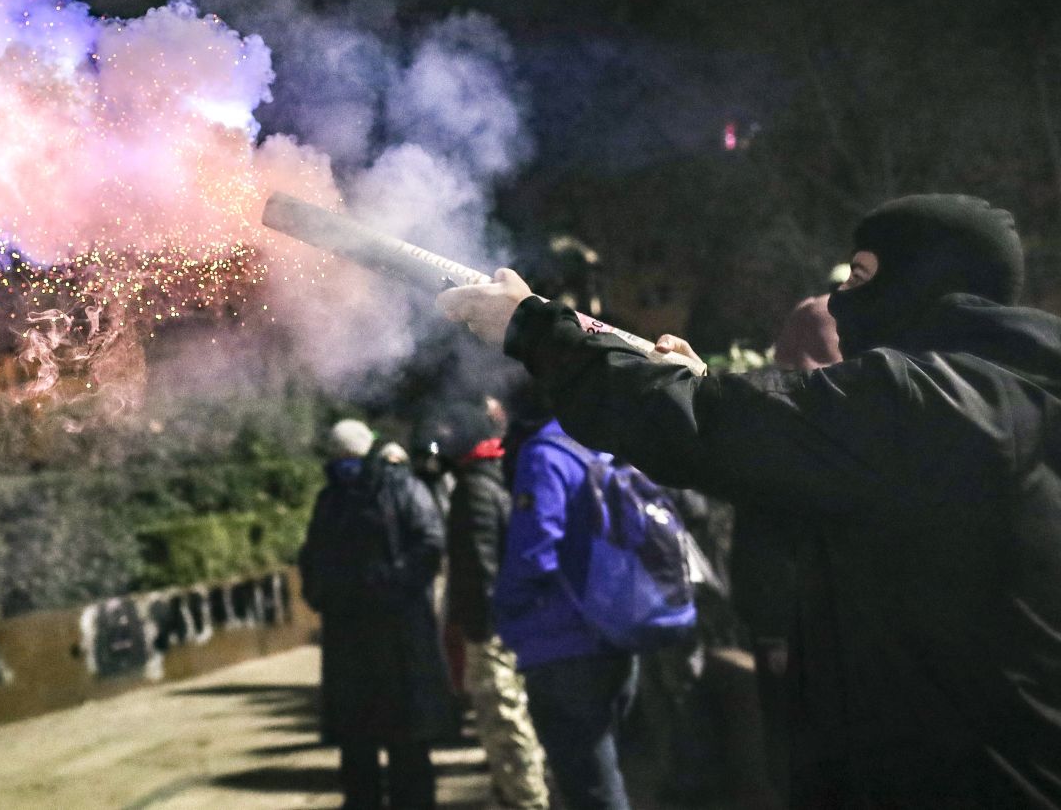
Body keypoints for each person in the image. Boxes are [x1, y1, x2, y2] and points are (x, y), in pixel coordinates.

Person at [439, 194, 1061, 808]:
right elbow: (795, 448)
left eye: (864, 276)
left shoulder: (939, 402)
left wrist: (535, 328)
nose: (842, 299)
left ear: (927, 282)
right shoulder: (1000, 398)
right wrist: (703, 388)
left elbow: (719, 428)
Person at [495, 386, 641, 810]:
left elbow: (533, 553)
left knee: (590, 788)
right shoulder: (602, 445)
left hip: (563, 643)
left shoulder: (546, 454)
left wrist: (504, 612)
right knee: (609, 774)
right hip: (618, 634)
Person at [299, 419, 451, 810]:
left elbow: (429, 545)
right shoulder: (332, 499)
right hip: (359, 641)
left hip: (395, 639)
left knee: (400, 744)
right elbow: (312, 560)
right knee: (366, 746)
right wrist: (326, 595)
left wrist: (385, 585)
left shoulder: (397, 487)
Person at [731, 293, 841, 801]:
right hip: (799, 629)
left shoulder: (804, 421)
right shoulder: (787, 430)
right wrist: (773, 631)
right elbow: (763, 541)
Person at [446, 418, 552, 810]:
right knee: (511, 720)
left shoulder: (474, 488)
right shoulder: (498, 478)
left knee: (504, 721)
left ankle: (529, 800)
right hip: (508, 622)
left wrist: (481, 626)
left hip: (492, 629)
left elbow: (479, 563)